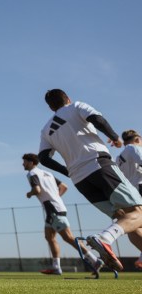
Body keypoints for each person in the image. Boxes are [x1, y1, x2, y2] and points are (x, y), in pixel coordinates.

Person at [38, 89, 142, 271]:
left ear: (50, 107)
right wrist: (115, 138)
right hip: (99, 165)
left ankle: (106, 240)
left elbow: (44, 157)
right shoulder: (76, 106)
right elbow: (97, 119)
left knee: (124, 219)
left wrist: (67, 171)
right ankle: (104, 239)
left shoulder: (46, 129)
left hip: (81, 181)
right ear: (67, 98)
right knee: (138, 213)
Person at [22, 153, 102, 276]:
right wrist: (56, 197)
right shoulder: (47, 173)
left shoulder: (32, 174)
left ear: (31, 163)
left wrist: (29, 193)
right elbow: (64, 186)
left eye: (25, 162)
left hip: (53, 209)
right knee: (49, 237)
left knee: (68, 237)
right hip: (54, 208)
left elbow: (37, 190)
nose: (23, 164)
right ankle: (56, 267)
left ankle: (94, 260)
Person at [118, 130, 142, 269]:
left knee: (133, 226)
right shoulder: (134, 148)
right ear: (138, 139)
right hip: (139, 186)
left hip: (129, 192)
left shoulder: (119, 157)